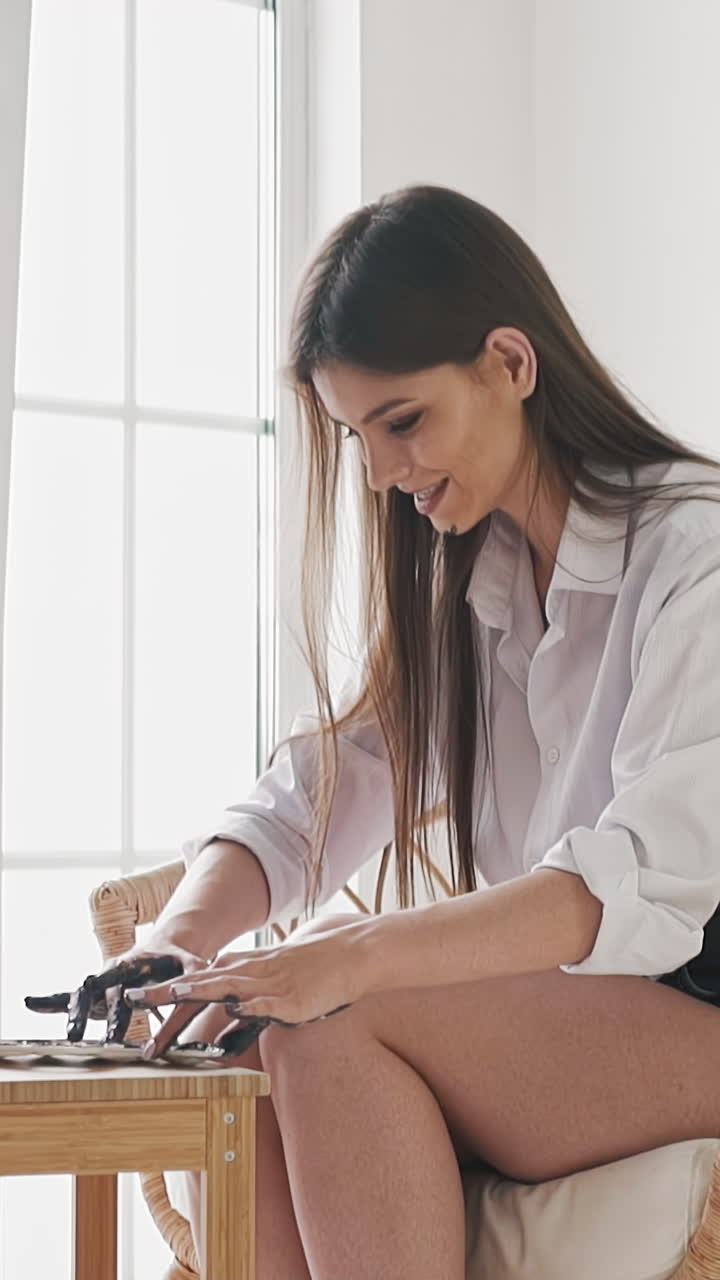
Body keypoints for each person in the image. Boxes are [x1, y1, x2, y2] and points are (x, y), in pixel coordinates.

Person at [79, 186, 720, 1277]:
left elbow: (633, 886)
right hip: (571, 1016)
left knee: (332, 1013)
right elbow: (313, 795)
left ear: (510, 364)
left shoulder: (692, 557)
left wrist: (351, 954)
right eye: (356, 435)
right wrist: (178, 947)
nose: (378, 473)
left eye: (403, 422)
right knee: (249, 1041)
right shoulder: (473, 588)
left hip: (687, 1012)